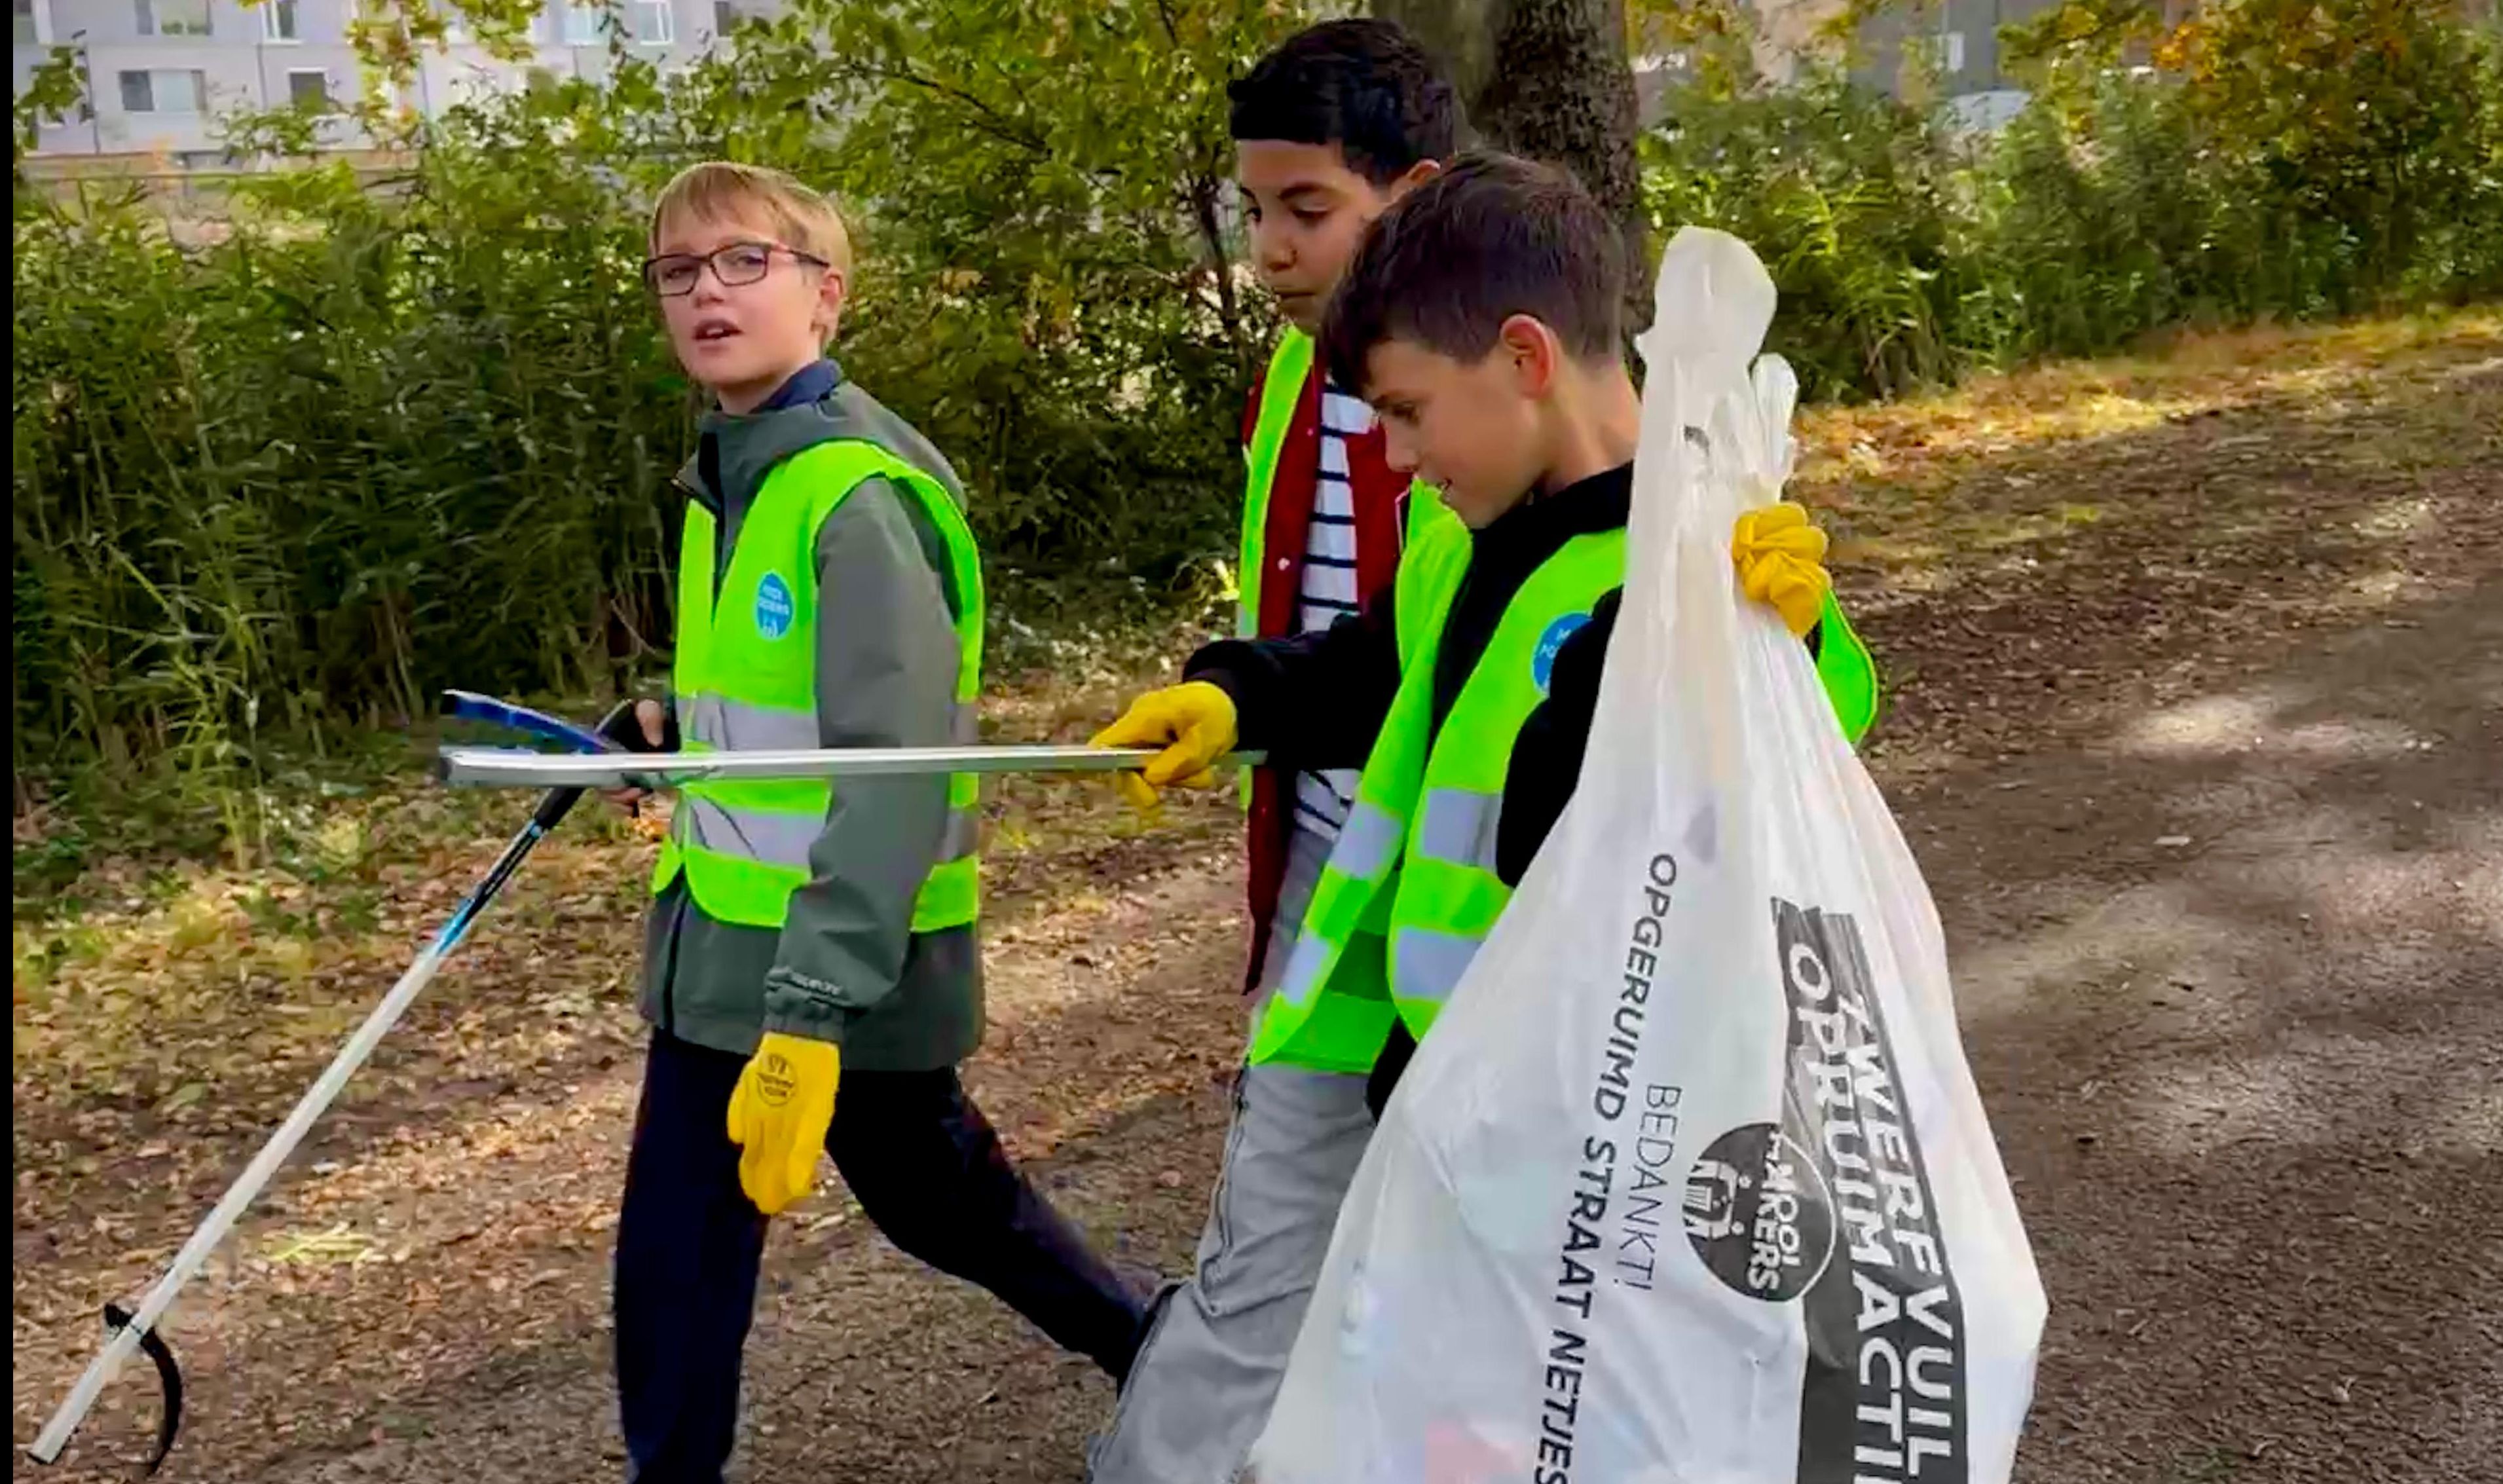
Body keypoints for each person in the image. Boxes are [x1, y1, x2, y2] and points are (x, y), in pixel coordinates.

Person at [1092, 152, 1880, 1465]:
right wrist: (1242, 697)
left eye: (1406, 413)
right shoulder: (1465, 528)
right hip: (1436, 1087)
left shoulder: (1699, 559)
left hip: (1580, 1131)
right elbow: (1388, 669)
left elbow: (1782, 759)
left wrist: (1775, 639)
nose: (1396, 458)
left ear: (1523, 357)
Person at [606, 160, 1144, 1484]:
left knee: (934, 1205)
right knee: (689, 1255)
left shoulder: (853, 493)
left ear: (826, 295)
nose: (707, 291)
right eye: (678, 272)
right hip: (724, 950)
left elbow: (893, 771)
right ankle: (1159, 1348)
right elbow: (775, 702)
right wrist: (665, 722)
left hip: (828, 963)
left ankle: (1165, 1351)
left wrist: (811, 999)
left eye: (746, 260)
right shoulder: (731, 477)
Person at [1078, 20, 1464, 1484]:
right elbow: (1355, 644)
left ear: (1414, 197)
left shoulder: (1522, 383)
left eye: (1308, 208)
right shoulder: (1296, 383)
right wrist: (1237, 700)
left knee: (1483, 1256)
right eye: (1254, 210)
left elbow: (1439, 657)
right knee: (1273, 1234)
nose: (1271, 251)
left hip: (1483, 912)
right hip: (1325, 877)